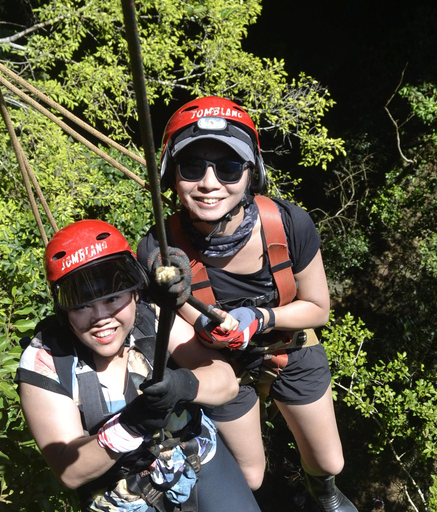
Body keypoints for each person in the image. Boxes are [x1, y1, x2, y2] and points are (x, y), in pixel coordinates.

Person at [136, 96, 359, 512]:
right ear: (172, 175)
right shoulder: (159, 250)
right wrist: (202, 330)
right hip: (221, 363)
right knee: (251, 475)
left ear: (250, 173)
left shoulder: (289, 224)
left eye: (228, 167)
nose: (209, 182)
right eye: (191, 167)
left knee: (330, 461)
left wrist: (260, 317)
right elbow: (175, 333)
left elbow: (318, 308)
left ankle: (320, 492)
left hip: (287, 344)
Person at [16, 219, 261, 512]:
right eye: (82, 305)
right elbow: (70, 470)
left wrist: (183, 385)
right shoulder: (47, 360)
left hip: (198, 457)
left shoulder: (150, 317)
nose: (100, 317)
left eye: (112, 298)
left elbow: (226, 381)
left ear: (135, 292)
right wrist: (131, 425)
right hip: (122, 496)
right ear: (63, 309)